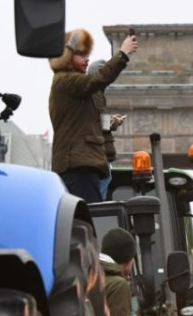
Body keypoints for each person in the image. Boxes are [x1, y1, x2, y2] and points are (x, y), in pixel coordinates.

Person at [49, 28, 138, 205]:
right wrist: (123, 54)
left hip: (81, 164)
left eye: (87, 54)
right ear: (67, 56)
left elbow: (91, 121)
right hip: (79, 166)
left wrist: (111, 122)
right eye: (81, 55)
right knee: (91, 218)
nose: (86, 59)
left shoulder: (74, 87)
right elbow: (98, 78)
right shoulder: (67, 81)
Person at [87, 58, 126, 200]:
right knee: (99, 196)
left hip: (100, 153)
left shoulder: (95, 92)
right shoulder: (95, 92)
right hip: (100, 153)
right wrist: (114, 121)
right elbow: (100, 121)